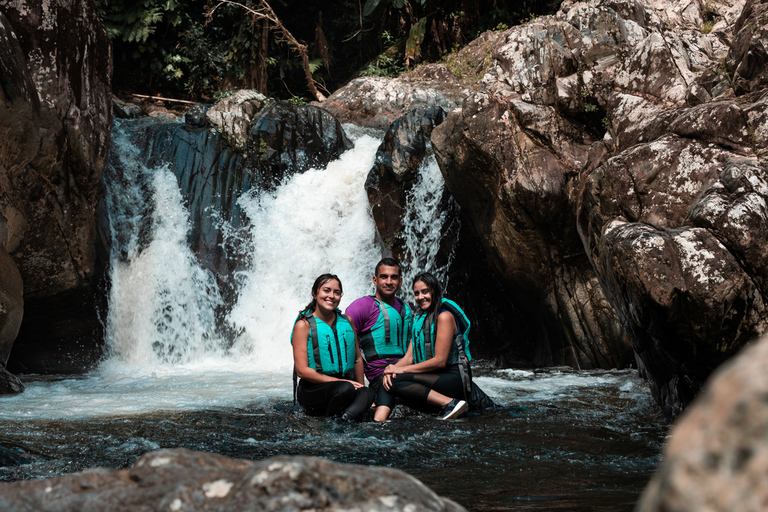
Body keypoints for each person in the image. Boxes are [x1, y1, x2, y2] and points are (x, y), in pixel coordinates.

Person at [383, 271, 474, 420]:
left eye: (425, 291)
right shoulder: (419, 318)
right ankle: (379, 420)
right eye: (417, 293)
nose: (420, 297)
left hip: (452, 376)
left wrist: (400, 370)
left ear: (434, 290)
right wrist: (390, 371)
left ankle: (450, 403)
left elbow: (440, 361)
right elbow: (410, 357)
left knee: (397, 380)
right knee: (388, 379)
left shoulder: (444, 317)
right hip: (435, 376)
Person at [291, 273, 374, 421]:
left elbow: (357, 358)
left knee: (368, 392)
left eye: (337, 292)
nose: (331, 296)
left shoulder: (347, 321)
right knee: (345, 389)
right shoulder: (303, 325)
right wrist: (341, 382)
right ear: (315, 293)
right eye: (326, 290)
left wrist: (359, 389)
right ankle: (333, 424)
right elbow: (302, 371)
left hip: (345, 386)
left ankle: (340, 423)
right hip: (313, 389)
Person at [345, 258, 413, 422]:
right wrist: (361, 393)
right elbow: (348, 348)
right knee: (389, 383)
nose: (389, 282)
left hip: (406, 371)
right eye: (384, 277)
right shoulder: (362, 307)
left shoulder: (406, 308)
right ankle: (378, 423)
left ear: (401, 281)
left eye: (394, 277)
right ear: (375, 280)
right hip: (379, 375)